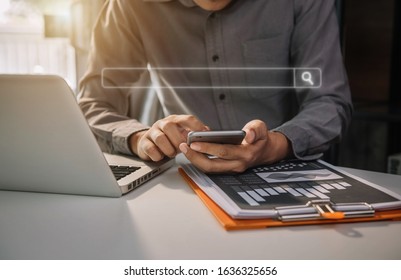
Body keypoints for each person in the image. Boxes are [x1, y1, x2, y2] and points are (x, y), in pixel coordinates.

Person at [78, 0, 353, 173]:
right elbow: (92, 104)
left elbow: (329, 102)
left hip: (286, 171)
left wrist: (275, 146)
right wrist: (140, 138)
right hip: (184, 176)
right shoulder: (130, 6)